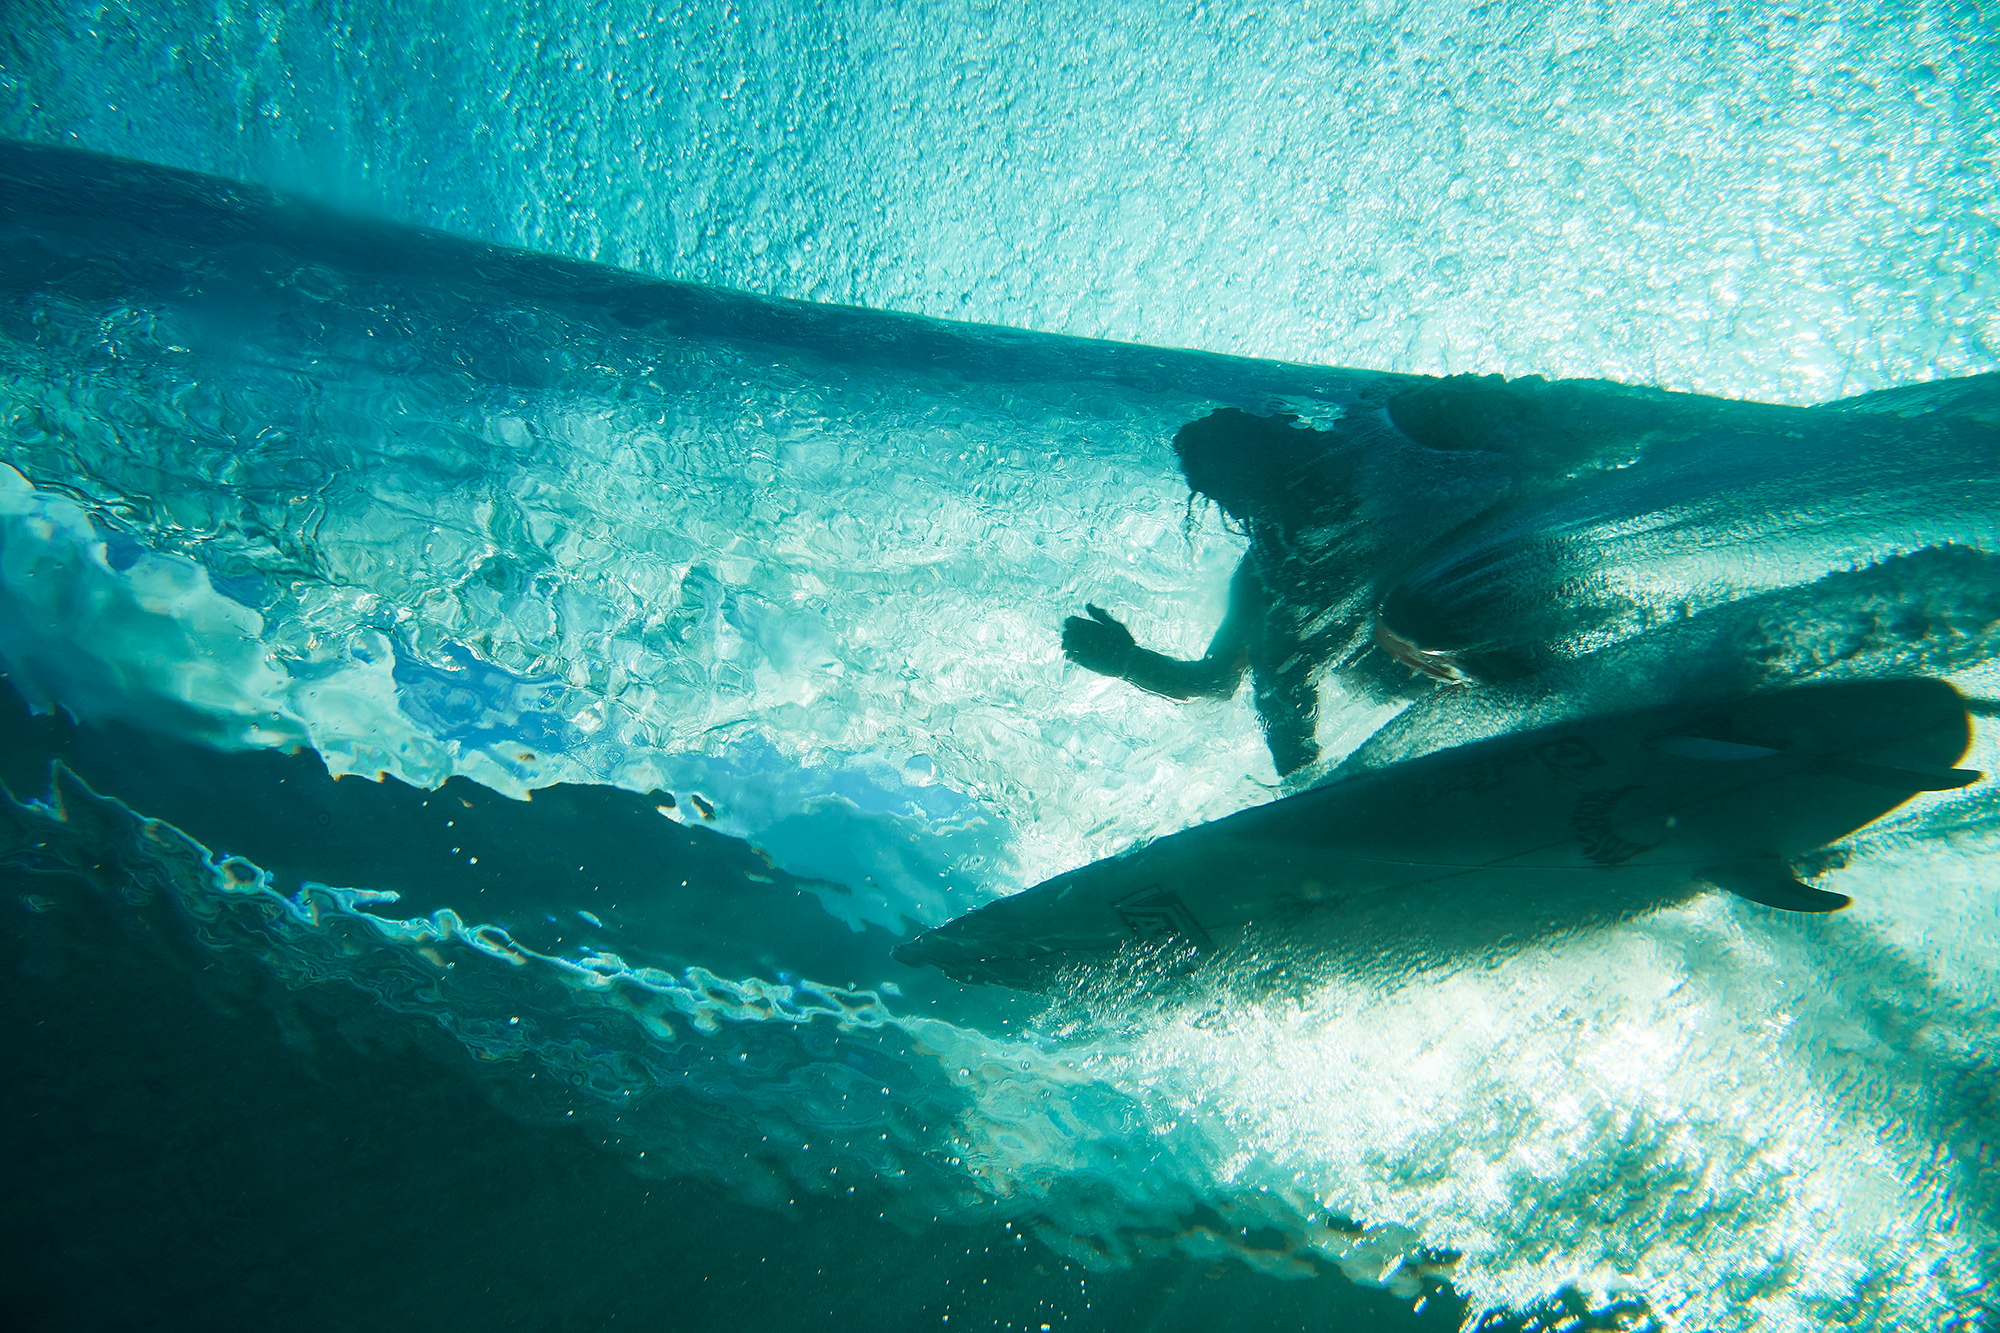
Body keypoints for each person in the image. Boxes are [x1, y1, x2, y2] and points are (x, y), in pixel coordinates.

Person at [1060, 377, 1646, 775]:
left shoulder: (1376, 453)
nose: (1250, 501)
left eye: (1248, 471)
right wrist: (1129, 662)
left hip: (1523, 600)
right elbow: (1213, 681)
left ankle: (1574, 709)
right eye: (1228, 492)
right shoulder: (1270, 574)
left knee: (1414, 610)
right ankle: (1311, 798)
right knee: (1280, 666)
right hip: (1444, 681)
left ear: (1288, 448)